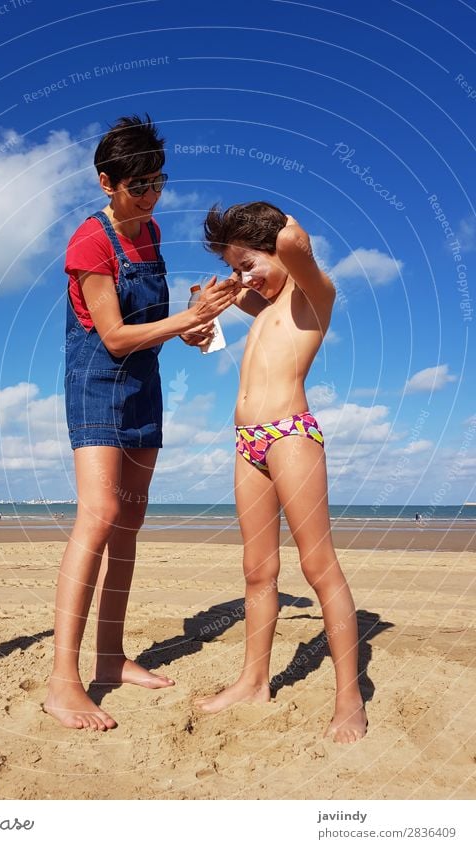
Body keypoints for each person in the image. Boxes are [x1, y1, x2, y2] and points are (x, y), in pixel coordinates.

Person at [44, 115, 237, 731]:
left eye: (158, 182)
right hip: (98, 383)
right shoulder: (89, 242)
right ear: (107, 182)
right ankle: (62, 681)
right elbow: (115, 335)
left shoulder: (149, 232)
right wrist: (185, 320)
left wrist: (193, 326)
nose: (151, 196)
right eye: (139, 186)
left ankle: (109, 658)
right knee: (98, 516)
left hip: (143, 387)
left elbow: (150, 337)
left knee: (128, 523)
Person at [196, 202, 367, 744]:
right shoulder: (263, 304)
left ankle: (349, 695)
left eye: (248, 263)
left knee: (318, 566)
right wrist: (207, 307)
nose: (243, 277)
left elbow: (292, 243)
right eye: (236, 267)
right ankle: (253, 680)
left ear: (270, 247)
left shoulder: (314, 293)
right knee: (256, 570)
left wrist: (265, 233)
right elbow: (204, 327)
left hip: (290, 434)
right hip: (247, 442)